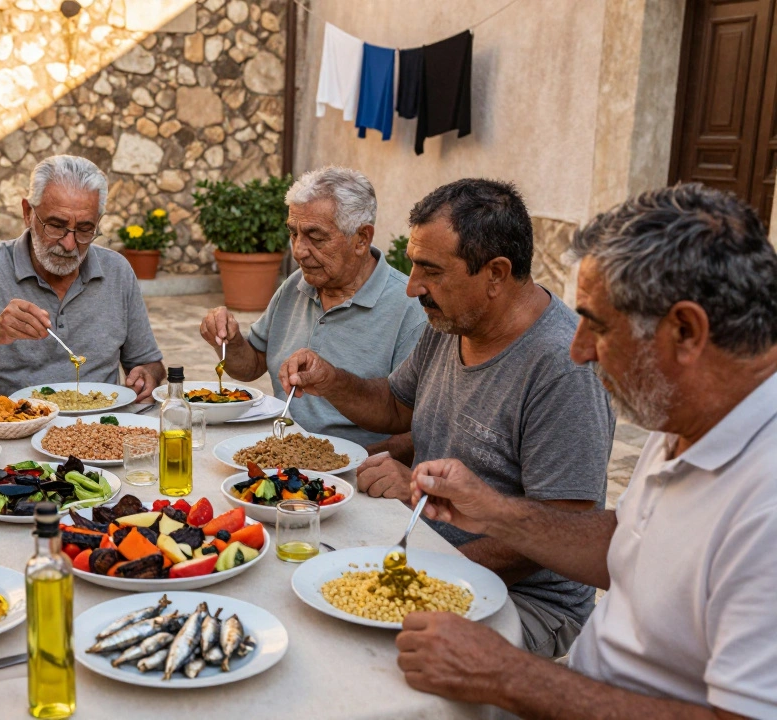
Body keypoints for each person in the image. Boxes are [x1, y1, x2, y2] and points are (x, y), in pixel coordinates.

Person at [396, 183, 777, 718]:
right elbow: (631, 545)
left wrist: (505, 674)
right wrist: (499, 512)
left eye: (597, 327)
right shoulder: (688, 420)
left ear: (685, 331)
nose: (578, 350)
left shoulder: (765, 498)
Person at [280, 178, 614, 657]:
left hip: (527, 600)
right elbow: (396, 406)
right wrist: (331, 379)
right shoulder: (452, 321)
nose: (413, 286)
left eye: (429, 270)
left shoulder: (562, 367)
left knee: (357, 658)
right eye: (414, 264)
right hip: (426, 548)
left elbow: (561, 531)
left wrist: (416, 571)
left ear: (496, 274)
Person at [199, 166, 425, 457]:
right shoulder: (297, 283)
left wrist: (346, 461)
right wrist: (229, 342)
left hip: (355, 469)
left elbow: (419, 426)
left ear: (361, 239)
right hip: (280, 451)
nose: (298, 251)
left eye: (315, 236)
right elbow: (252, 364)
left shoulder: (410, 309)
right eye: (293, 233)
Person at [0, 155, 166, 401]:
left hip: (99, 431)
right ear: (28, 213)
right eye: (56, 225)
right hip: (10, 432)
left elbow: (149, 363)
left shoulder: (117, 271)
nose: (69, 244)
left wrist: (147, 376)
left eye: (86, 229)